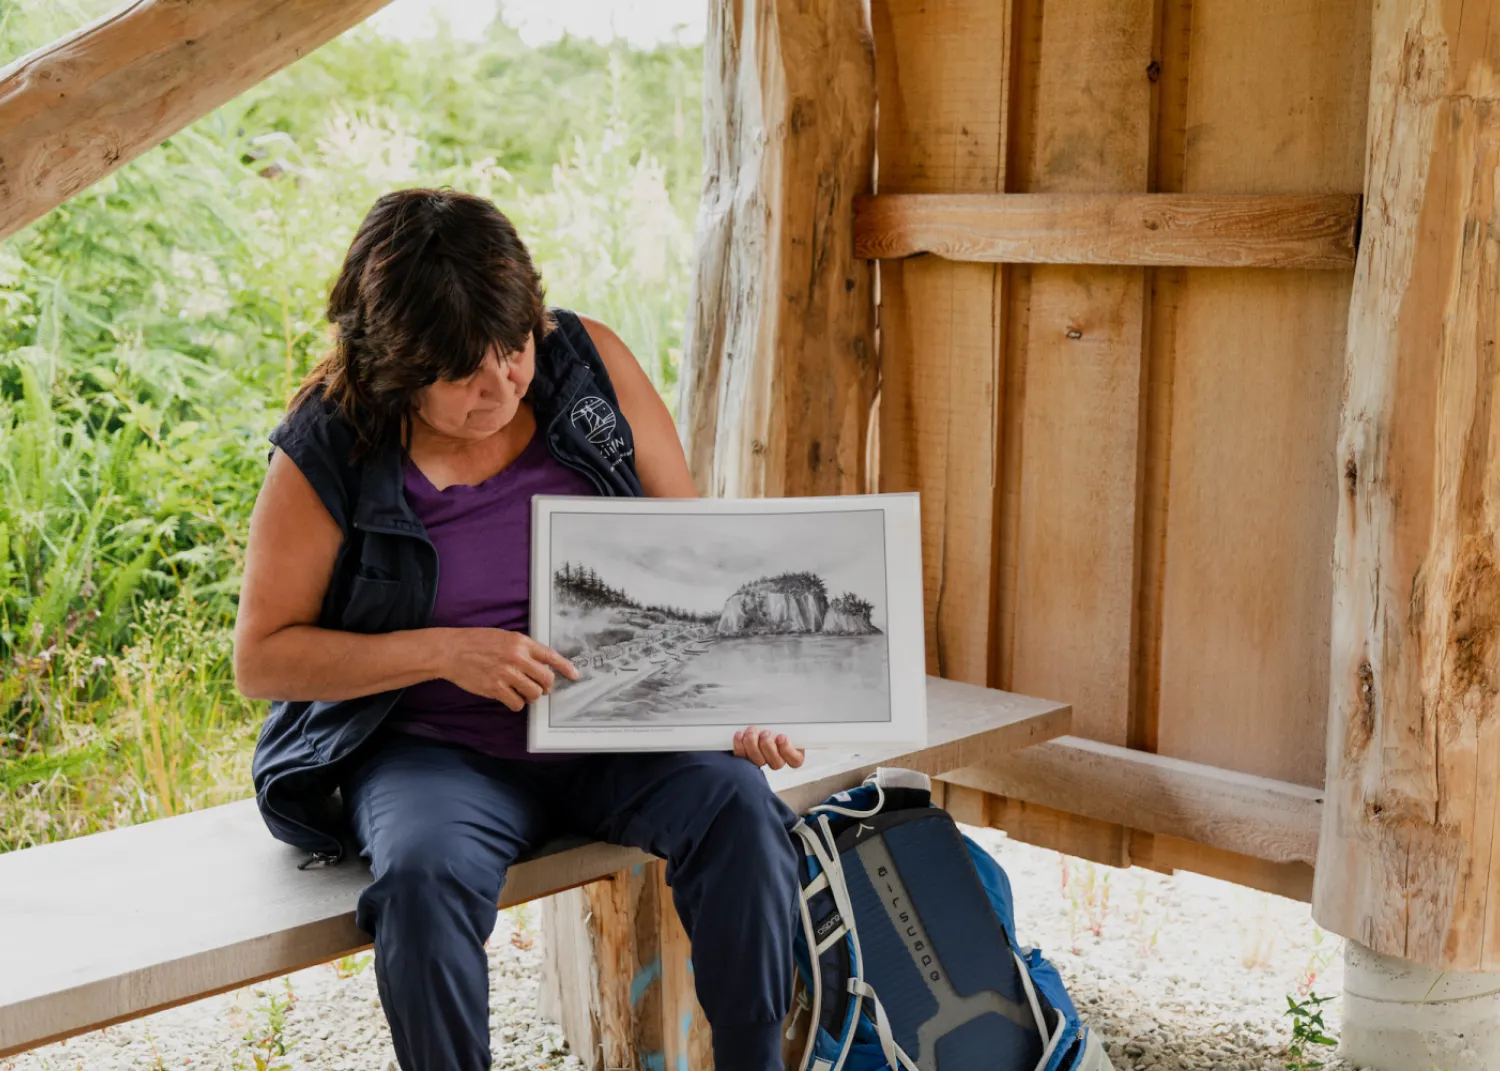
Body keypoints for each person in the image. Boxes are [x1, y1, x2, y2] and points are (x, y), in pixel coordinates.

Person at [234, 188, 804, 1071]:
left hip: (617, 717)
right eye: (464, 370)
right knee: (420, 881)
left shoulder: (589, 365)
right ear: (395, 364)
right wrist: (442, 651)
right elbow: (262, 659)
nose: (501, 383)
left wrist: (735, 703)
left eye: (514, 347)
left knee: (740, 807)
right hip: (435, 747)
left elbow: (688, 550)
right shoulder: (329, 445)